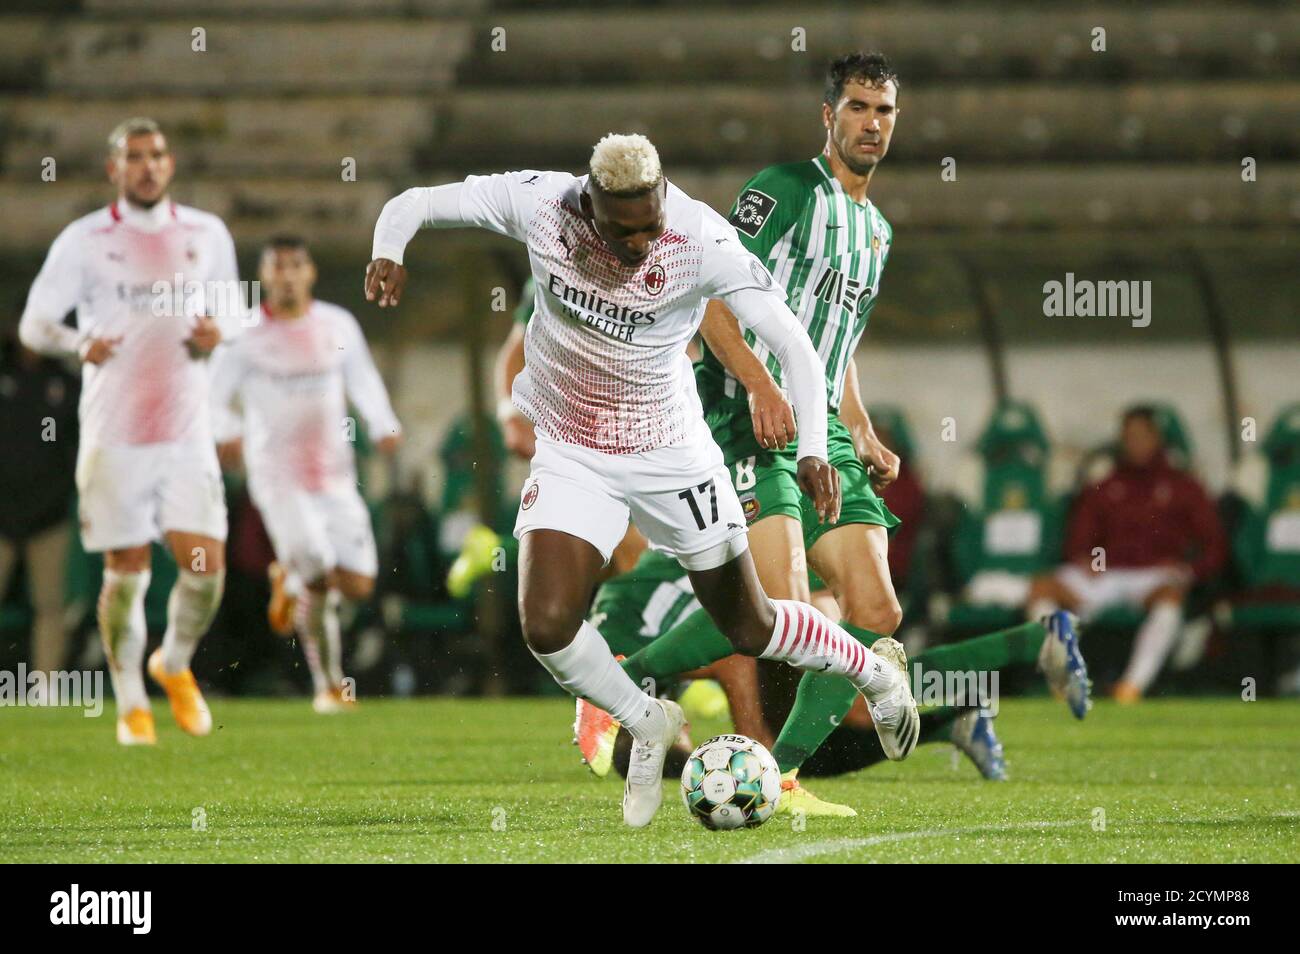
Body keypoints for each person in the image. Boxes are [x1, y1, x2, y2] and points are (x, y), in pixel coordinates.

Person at [366, 132, 919, 828]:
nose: (639, 244)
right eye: (623, 231)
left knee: (748, 624)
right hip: (573, 451)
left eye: (650, 225)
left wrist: (814, 444)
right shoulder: (539, 203)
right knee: (546, 625)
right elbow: (415, 202)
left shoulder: (698, 237)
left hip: (672, 453)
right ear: (588, 205)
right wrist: (389, 248)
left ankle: (874, 672)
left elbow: (794, 346)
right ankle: (646, 718)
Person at [19, 118, 241, 745]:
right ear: (114, 169)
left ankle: (171, 663)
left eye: (158, 155)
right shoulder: (83, 239)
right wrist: (78, 341)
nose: (148, 166)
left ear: (170, 165)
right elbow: (36, 325)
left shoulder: (207, 234)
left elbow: (236, 313)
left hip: (185, 433)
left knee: (206, 569)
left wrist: (219, 333)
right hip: (114, 434)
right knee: (127, 569)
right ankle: (129, 704)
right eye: (135, 157)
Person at [210, 236, 401, 713]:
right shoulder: (243, 335)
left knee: (357, 585)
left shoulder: (337, 324)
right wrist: (228, 430)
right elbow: (210, 399)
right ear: (265, 276)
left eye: (296, 265)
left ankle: (289, 580)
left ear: (310, 272)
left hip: (334, 476)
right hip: (277, 478)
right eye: (278, 267)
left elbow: (362, 380)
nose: (288, 275)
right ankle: (329, 684)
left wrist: (382, 423)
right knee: (317, 567)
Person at [1026, 405, 1226, 702]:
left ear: (1158, 439)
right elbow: (1079, 539)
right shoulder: (1106, 485)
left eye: (1143, 436)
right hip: (1108, 573)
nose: (1136, 443)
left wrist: (1189, 570)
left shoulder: (1184, 486)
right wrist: (1089, 560)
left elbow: (1215, 546)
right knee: (1041, 588)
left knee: (1170, 597)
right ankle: (1065, 679)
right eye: (1129, 436)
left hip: (1154, 576)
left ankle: (1132, 685)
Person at [0, 325, 80, 688]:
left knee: (50, 605)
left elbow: (72, 449)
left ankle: (46, 686)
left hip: (49, 516)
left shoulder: (65, 384)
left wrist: (60, 497)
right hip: (1, 514)